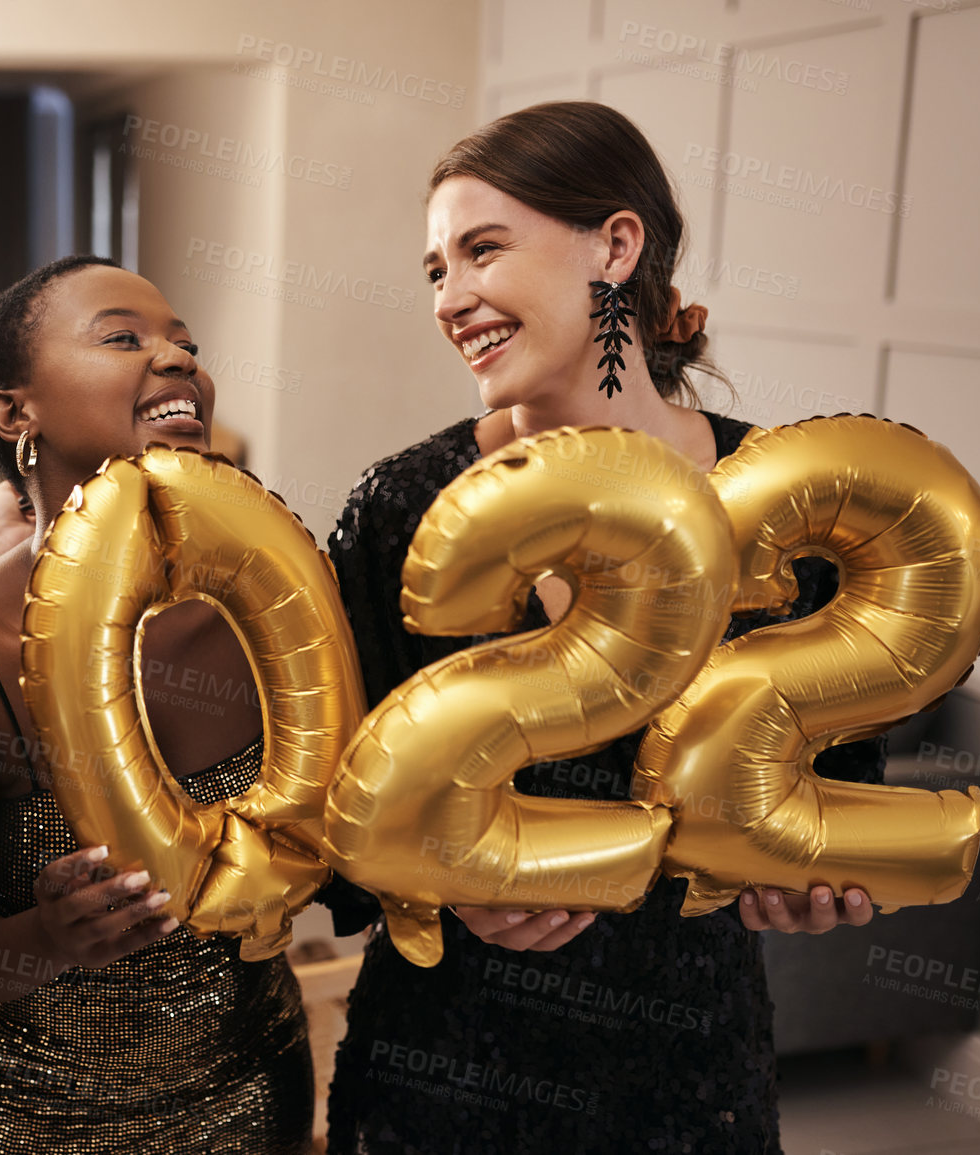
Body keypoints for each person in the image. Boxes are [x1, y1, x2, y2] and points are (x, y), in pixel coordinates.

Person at [322, 101, 882, 1155]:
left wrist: (825, 880)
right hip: (446, 1059)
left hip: (686, 1067)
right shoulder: (405, 505)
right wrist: (437, 884)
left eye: (484, 250)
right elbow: (331, 804)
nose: (452, 297)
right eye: (436, 269)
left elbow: (847, 772)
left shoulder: (788, 504)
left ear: (615, 247)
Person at [0, 255, 315, 1154]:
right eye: (122, 337)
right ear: (12, 412)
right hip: (25, 1125)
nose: (178, 359)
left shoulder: (270, 601)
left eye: (186, 344)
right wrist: (44, 938)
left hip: (258, 1096)